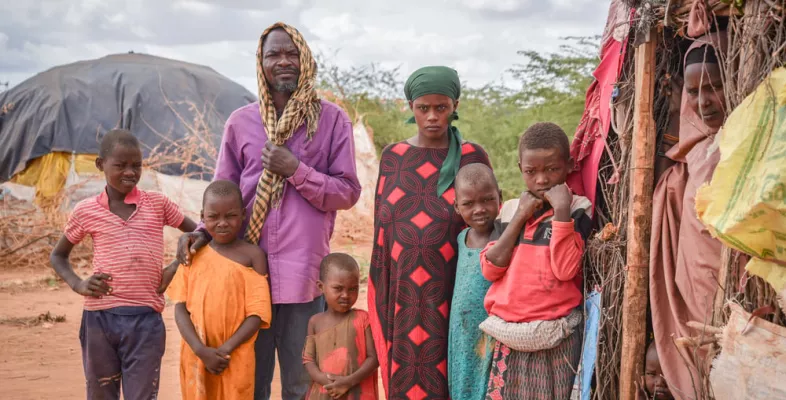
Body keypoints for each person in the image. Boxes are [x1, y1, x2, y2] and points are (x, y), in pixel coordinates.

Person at [175, 22, 361, 400]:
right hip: (242, 276)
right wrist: (199, 233)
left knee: (299, 382)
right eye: (273, 54)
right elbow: (220, 196)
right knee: (247, 382)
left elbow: (347, 192)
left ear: (305, 60)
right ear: (260, 63)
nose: (284, 62)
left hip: (303, 275)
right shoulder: (240, 123)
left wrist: (297, 170)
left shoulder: (330, 120)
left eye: (292, 53)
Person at [368, 65, 492, 398]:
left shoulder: (472, 156)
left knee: (453, 377)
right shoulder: (393, 157)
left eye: (441, 107)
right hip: (403, 294)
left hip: (454, 293)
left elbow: (486, 221)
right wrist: (381, 291)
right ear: (411, 107)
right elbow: (383, 235)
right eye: (424, 108)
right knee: (406, 376)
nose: (433, 116)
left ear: (455, 105)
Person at [49, 129, 198, 400]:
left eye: (136, 165)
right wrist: (79, 283)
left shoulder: (157, 203)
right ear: (100, 165)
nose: (130, 172)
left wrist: (175, 266)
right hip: (99, 319)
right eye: (120, 165)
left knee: (142, 395)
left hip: (145, 321)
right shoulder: (86, 210)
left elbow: (199, 234)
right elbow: (58, 256)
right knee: (100, 392)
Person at [480, 122, 592, 399]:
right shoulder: (508, 212)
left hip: (554, 336)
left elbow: (565, 270)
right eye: (531, 172)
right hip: (508, 335)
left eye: (551, 169)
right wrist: (520, 216)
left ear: (568, 166)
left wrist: (562, 210)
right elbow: (490, 269)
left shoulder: (579, 208)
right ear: (521, 168)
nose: (541, 180)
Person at [649, 32, 732, 399]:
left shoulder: (743, 145)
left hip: (734, 291)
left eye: (713, 88)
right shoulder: (694, 154)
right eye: (693, 92)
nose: (703, 102)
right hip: (693, 294)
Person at [164, 180, 272, 400]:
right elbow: (180, 308)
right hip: (196, 355)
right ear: (203, 217)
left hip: (235, 356)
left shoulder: (253, 256)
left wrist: (225, 350)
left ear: (243, 215)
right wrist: (201, 350)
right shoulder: (193, 254)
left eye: (230, 216)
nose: (222, 223)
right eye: (214, 217)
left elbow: (257, 313)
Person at [447, 163, 501, 400]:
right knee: (462, 383)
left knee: (487, 385)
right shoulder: (461, 238)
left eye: (487, 200)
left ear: (501, 198)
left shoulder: (504, 237)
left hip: (491, 333)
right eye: (469, 204)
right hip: (461, 331)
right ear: (457, 207)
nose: (479, 209)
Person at [303, 253, 379, 400]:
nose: (345, 295)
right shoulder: (315, 322)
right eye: (338, 288)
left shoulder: (363, 319)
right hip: (325, 391)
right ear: (321, 287)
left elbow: (374, 359)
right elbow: (308, 359)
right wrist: (325, 381)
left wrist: (348, 382)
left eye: (352, 289)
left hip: (356, 390)